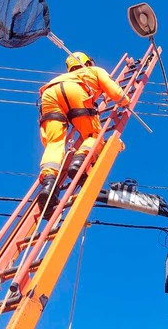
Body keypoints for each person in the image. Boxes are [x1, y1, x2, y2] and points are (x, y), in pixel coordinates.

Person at [37, 51, 131, 217]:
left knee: (54, 142)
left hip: (49, 94)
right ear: (89, 61)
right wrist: (125, 101)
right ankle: (79, 162)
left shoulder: (61, 77)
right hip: (76, 90)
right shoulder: (93, 70)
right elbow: (116, 93)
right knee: (94, 135)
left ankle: (49, 182)